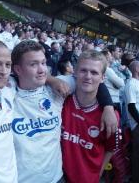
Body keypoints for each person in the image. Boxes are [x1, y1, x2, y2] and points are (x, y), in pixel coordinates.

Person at [11, 40, 117, 183]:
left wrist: (108, 107)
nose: (42, 69)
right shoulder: (5, 93)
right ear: (17, 70)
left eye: (43, 63)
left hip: (57, 178)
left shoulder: (59, 90)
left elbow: (94, 81)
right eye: (33, 64)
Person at [61, 50, 120, 183]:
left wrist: (97, 175)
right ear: (75, 72)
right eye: (83, 70)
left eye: (94, 72)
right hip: (57, 177)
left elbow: (110, 149)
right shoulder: (61, 101)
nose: (88, 76)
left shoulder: (110, 115)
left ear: (103, 78)